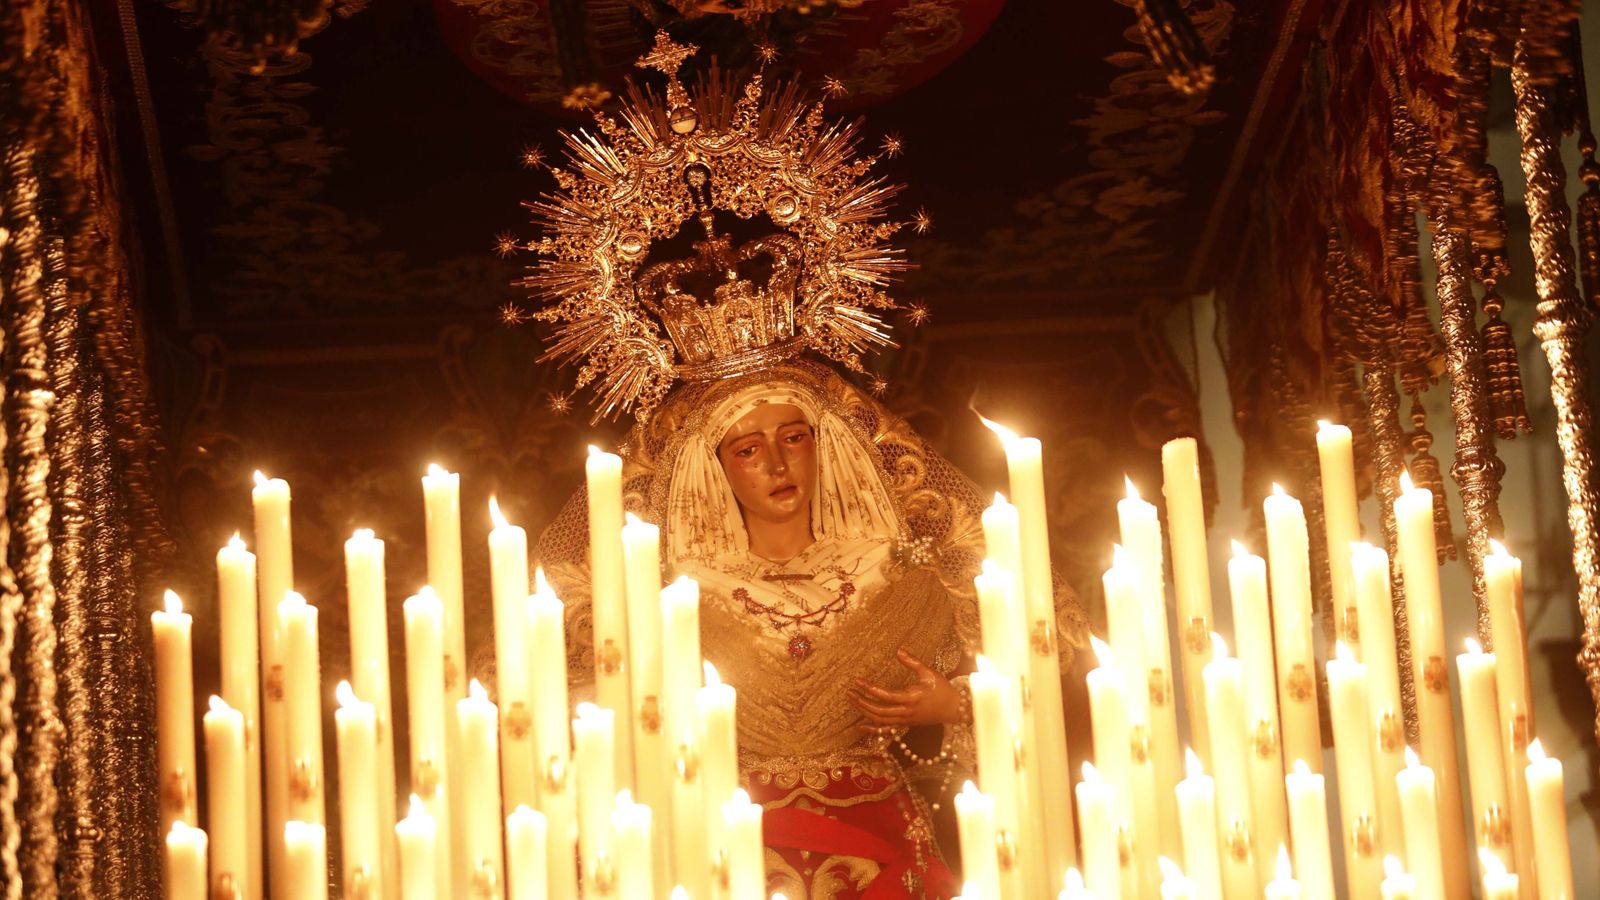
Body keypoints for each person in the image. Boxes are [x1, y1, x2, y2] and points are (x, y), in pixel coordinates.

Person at [539, 360, 1086, 898]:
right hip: (724, 842)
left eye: (794, 438)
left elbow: (1031, 677)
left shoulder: (901, 575)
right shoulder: (673, 593)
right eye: (748, 450)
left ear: (823, 445)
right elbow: (598, 713)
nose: (777, 465)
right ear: (715, 469)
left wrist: (954, 705)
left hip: (878, 844)